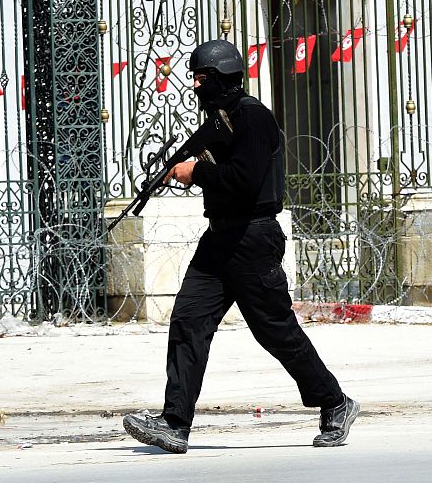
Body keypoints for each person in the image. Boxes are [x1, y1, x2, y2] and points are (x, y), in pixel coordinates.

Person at [122, 39, 359, 453]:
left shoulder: (253, 119)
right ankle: (174, 423)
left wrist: (196, 173)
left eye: (200, 78)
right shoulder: (220, 119)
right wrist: (170, 169)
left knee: (276, 332)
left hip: (253, 239)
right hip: (220, 240)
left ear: (220, 78)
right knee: (188, 320)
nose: (195, 86)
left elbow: (246, 181)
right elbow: (196, 149)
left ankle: (335, 403)